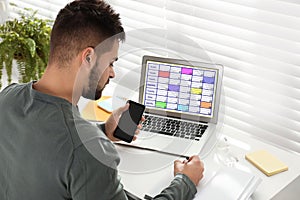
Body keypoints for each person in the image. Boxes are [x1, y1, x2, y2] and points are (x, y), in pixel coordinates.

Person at [0, 0, 204, 199]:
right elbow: (76, 150)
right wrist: (185, 182)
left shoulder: (8, 97)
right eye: (111, 63)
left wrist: (104, 130)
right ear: (88, 57)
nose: (112, 74)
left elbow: (51, 149)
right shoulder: (90, 152)